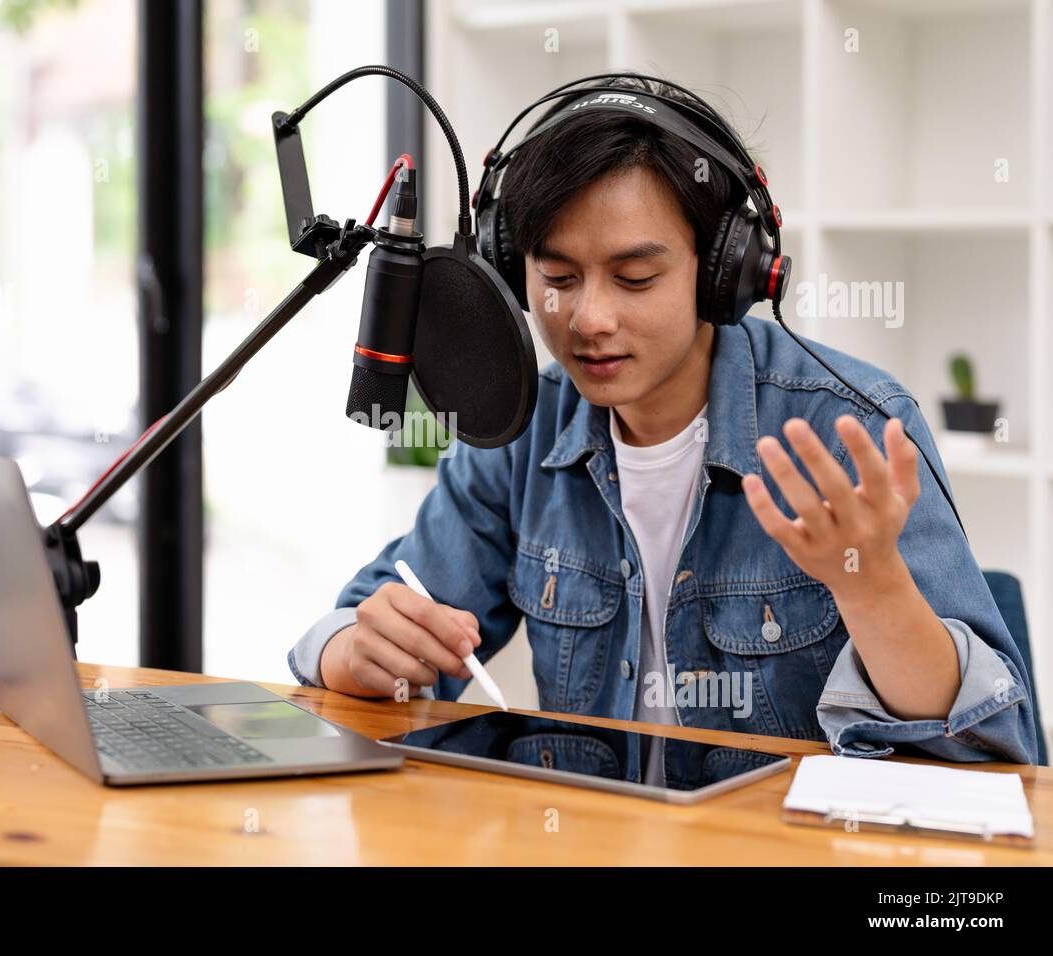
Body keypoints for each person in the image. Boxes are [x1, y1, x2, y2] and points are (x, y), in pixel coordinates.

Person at [286, 76, 1037, 785]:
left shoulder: (850, 429)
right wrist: (357, 651)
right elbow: (365, 627)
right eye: (557, 278)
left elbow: (992, 752)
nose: (590, 320)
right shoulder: (523, 427)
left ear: (727, 271)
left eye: (635, 278)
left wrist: (872, 588)